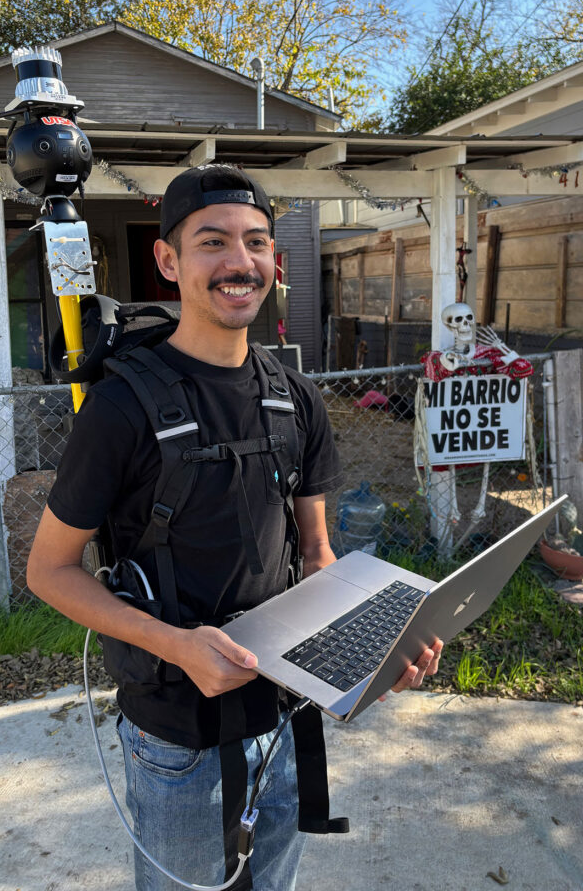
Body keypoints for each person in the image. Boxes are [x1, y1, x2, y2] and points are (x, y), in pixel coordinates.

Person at [27, 163, 443, 891]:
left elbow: (317, 554)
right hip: (176, 737)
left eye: (256, 242)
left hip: (284, 717)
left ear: (275, 261)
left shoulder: (297, 400)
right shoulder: (121, 411)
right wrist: (176, 645)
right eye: (212, 242)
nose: (239, 262)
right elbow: (48, 570)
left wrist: (377, 649)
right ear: (168, 260)